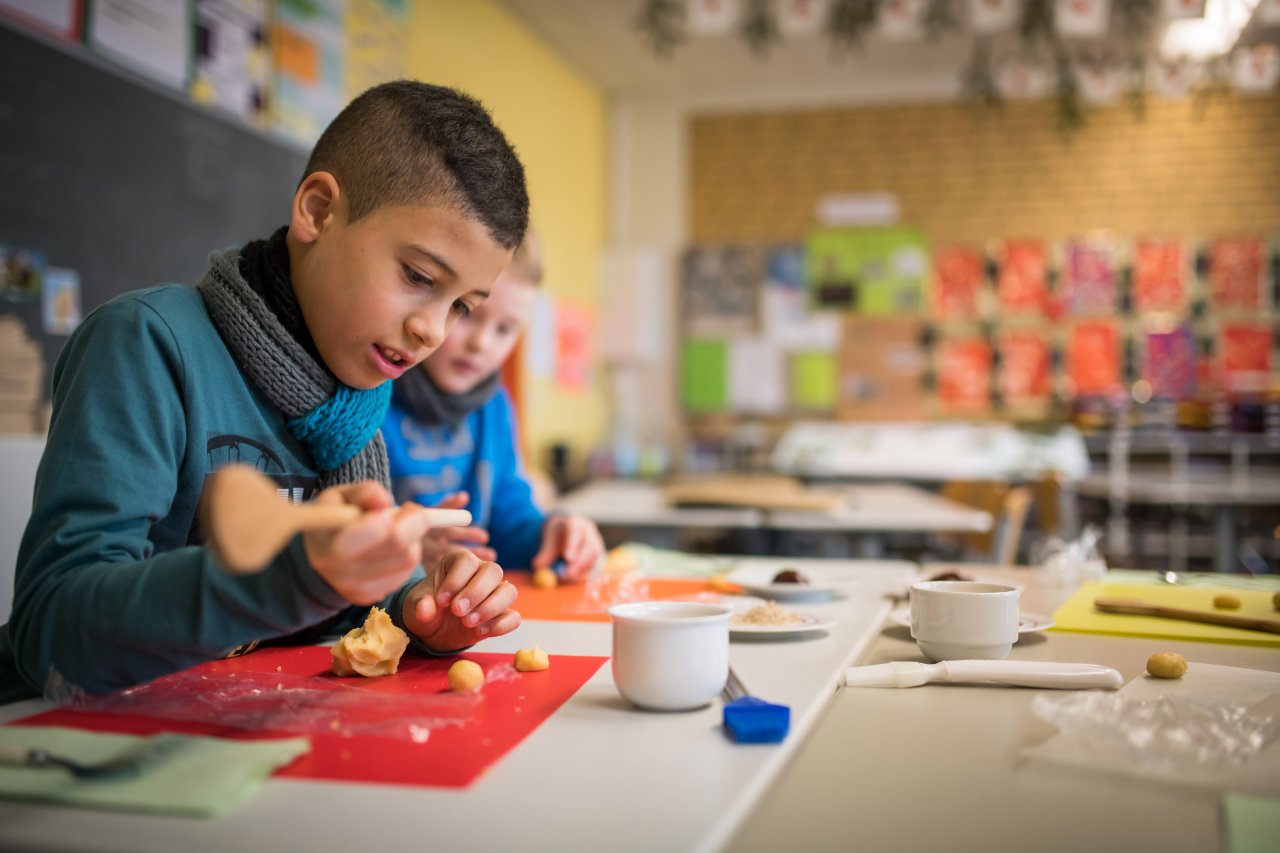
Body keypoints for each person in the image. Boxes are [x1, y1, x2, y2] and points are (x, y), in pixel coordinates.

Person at [0, 80, 529, 702]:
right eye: (417, 276)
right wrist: (289, 575)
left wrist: (414, 606)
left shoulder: (351, 401)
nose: (432, 330)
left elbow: (332, 609)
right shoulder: (146, 343)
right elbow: (52, 631)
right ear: (318, 211)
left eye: (462, 306)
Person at [382, 231, 605, 582]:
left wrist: (552, 532)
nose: (482, 343)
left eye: (506, 328)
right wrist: (407, 551)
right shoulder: (374, 391)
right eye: (468, 313)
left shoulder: (494, 405)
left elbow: (510, 520)